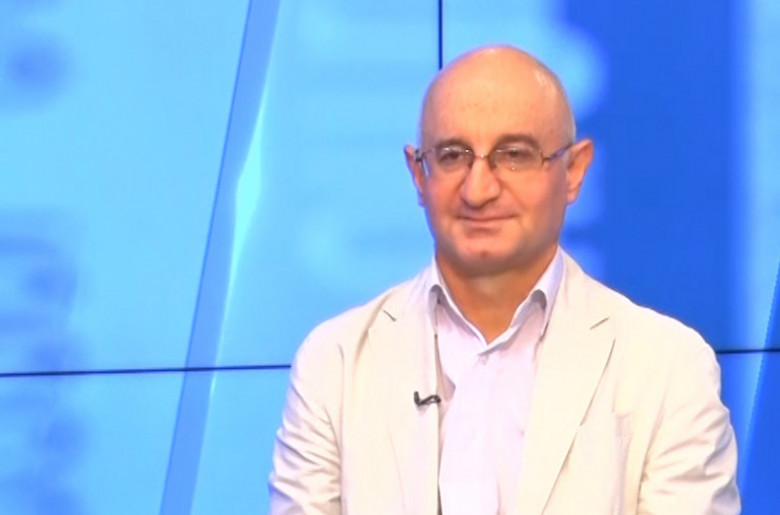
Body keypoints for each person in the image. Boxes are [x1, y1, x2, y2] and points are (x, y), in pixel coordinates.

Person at [268, 45, 740, 514]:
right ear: (418, 174)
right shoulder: (334, 365)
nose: (478, 190)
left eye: (514, 155)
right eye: (452, 156)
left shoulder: (668, 369)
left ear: (574, 171)